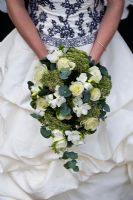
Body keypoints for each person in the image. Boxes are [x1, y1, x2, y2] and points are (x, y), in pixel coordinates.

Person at [0, 0, 133, 199]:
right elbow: (15, 5)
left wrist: (90, 66)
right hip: (34, 49)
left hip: (97, 49)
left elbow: (116, 4)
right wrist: (47, 62)